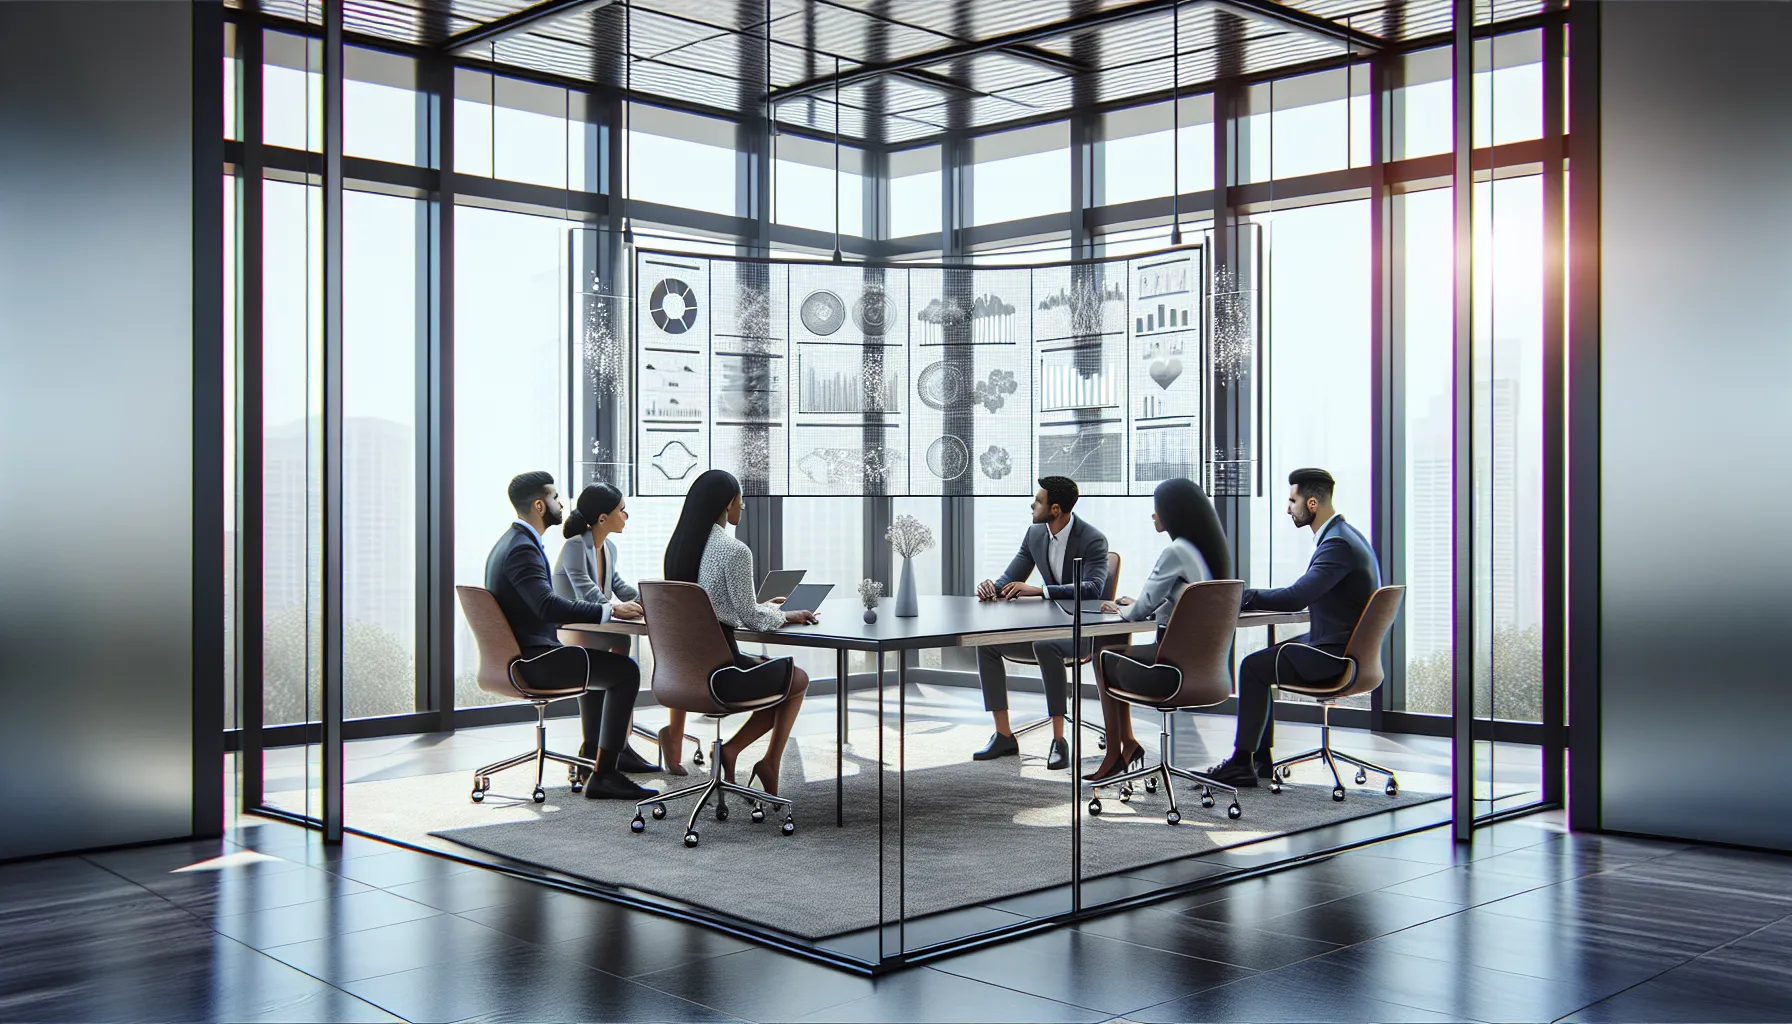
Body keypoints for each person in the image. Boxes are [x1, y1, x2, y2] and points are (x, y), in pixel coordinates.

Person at [1204, 467, 1381, 787]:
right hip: (1343, 645)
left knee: (1253, 667)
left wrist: (1243, 597)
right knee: (1263, 661)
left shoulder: (1336, 545)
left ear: (1312, 503)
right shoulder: (1346, 535)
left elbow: (1297, 597)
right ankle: (1260, 760)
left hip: (1334, 654)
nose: (1288, 509)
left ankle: (1244, 761)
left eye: (1292, 500)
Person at [484, 471, 656, 801]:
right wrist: (610, 610)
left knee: (606, 665)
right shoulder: (522, 549)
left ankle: (598, 756)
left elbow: (610, 586)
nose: (562, 504)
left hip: (526, 654)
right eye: (555, 498)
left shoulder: (512, 543)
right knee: (626, 672)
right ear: (539, 505)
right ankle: (605, 774)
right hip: (536, 659)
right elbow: (547, 606)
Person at [661, 469, 813, 796]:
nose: (742, 508)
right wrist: (788, 615)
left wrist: (763, 606)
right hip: (722, 674)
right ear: (728, 502)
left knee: (775, 677)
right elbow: (751, 619)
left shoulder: (678, 549)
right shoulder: (734, 550)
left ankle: (732, 752)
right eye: (740, 500)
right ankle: (767, 761)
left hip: (682, 675)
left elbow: (710, 604)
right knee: (796, 680)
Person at [1085, 478, 1231, 782]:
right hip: (1206, 671)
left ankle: (1116, 753)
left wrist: (1122, 607)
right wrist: (1140, 603)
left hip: (1170, 670)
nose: (1154, 515)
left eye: (1157, 509)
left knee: (1103, 655)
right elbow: (1176, 600)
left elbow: (1139, 612)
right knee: (1113, 653)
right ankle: (1127, 745)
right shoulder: (1204, 553)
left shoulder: (1176, 551)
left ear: (1172, 513)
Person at [971, 476, 1110, 770]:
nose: (1032, 505)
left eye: (1038, 501)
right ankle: (1003, 735)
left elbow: (1093, 589)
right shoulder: (1035, 534)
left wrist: (1041, 590)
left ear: (1056, 509)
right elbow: (1012, 576)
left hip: (1080, 632)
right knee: (987, 643)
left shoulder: (1093, 539)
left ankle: (1059, 741)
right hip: (1045, 628)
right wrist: (991, 588)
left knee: (1046, 646)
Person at [553, 483, 659, 776]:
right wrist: (616, 609)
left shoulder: (608, 547)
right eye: (622, 510)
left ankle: (616, 744)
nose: (626, 516)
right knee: (619, 653)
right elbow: (586, 591)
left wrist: (646, 601)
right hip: (572, 628)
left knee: (621, 641)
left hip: (596, 626)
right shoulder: (575, 545)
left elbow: (617, 586)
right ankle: (600, 747)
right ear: (602, 518)